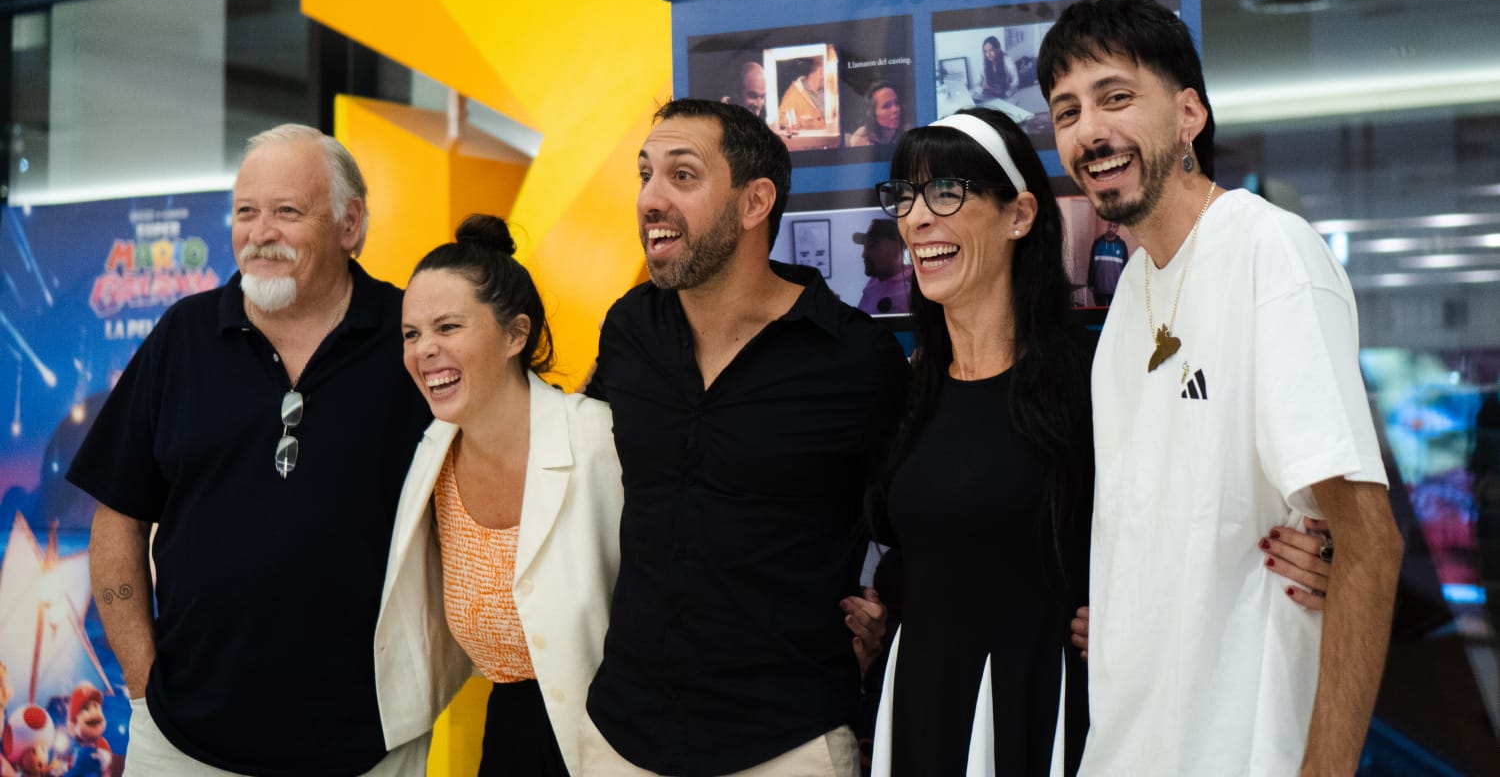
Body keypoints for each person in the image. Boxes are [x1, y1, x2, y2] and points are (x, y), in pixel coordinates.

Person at [1040, 0, 1402, 775]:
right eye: (1066, 111)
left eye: (1117, 97)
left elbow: (1369, 544)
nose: (1089, 129)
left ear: (1189, 115)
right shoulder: (1127, 308)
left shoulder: (1270, 255)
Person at [67, 124, 436, 775]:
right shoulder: (182, 336)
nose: (260, 233)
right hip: (183, 744)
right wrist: (142, 683)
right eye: (245, 212)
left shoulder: (414, 340)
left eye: (287, 212)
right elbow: (117, 517)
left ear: (351, 225)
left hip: (371, 747)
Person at [577, 99, 908, 776]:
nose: (650, 199)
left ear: (755, 201)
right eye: (645, 174)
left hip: (787, 746)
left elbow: (919, 517)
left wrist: (893, 614)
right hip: (621, 738)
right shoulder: (628, 330)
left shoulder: (856, 360)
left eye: (682, 176)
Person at [867, 108, 1093, 777]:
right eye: (904, 197)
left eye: (945, 193)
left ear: (1020, 215)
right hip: (918, 704)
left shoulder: (1090, 384)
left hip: (1037, 711)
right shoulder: (908, 390)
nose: (915, 219)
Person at [382, 214, 622, 776]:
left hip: (621, 734)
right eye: (412, 335)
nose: (425, 351)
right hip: (511, 735)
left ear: (516, 334)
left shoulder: (600, 440)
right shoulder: (431, 457)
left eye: (447, 327)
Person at [852, 218, 912, 316]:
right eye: (865, 248)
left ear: (895, 250)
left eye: (871, 247)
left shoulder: (910, 292)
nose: (863, 255)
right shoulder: (875, 279)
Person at [846, 80, 904, 147]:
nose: (896, 109)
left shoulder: (905, 133)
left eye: (896, 102)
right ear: (872, 113)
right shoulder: (861, 139)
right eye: (887, 106)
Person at [778, 57, 828, 132]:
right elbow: (780, 120)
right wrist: (803, 122)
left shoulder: (830, 91)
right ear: (821, 72)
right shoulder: (794, 93)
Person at [1086, 221, 1126, 307]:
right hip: (1099, 288)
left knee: (1113, 317)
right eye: (1109, 225)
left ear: (1117, 229)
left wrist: (1125, 286)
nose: (1111, 228)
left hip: (1116, 289)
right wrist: (1090, 283)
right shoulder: (1097, 243)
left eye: (1114, 226)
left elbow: (1126, 268)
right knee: (1100, 317)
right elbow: (1091, 264)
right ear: (1106, 226)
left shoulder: (1122, 245)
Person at [973, 35, 1019, 102]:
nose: (988, 54)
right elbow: (976, 84)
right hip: (989, 97)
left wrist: (1006, 87)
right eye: (985, 51)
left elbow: (1016, 81)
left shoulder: (1007, 61)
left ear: (998, 49)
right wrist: (982, 90)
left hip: (1005, 97)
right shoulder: (984, 64)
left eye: (991, 50)